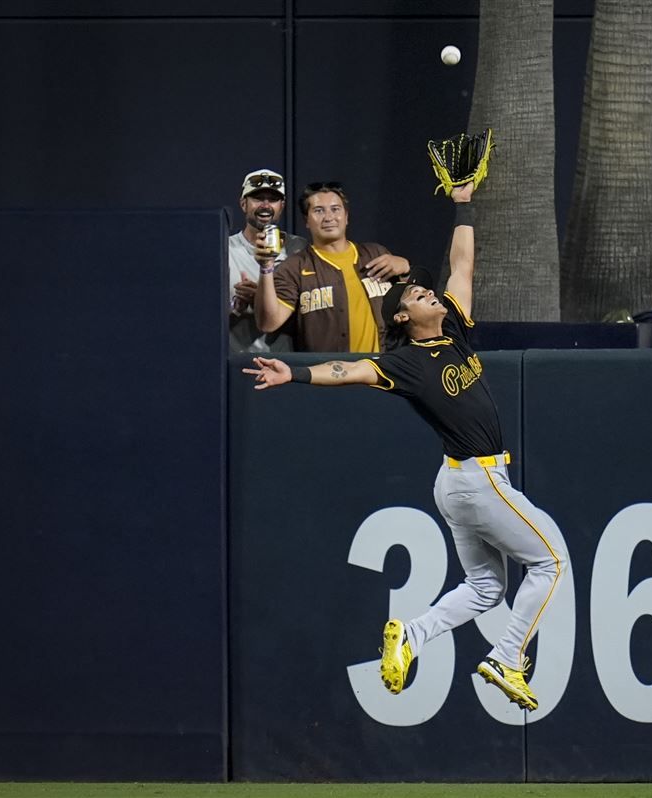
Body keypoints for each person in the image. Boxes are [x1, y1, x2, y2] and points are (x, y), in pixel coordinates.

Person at [243, 183, 567, 712]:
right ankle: (507, 659)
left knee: (486, 587)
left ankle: (412, 636)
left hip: (460, 481)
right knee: (551, 562)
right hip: (476, 480)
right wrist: (295, 374)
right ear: (400, 318)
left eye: (425, 291)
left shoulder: (454, 332)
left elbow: (462, 265)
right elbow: (348, 369)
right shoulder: (407, 363)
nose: (427, 293)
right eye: (416, 296)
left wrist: (463, 203)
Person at [253, 181, 414, 353]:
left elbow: (416, 305)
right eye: (319, 210)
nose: (329, 217)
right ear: (306, 220)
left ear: (346, 216)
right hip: (329, 374)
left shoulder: (376, 254)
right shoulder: (295, 267)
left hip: (382, 372)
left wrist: (406, 269)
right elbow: (268, 323)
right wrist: (266, 268)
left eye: (335, 209)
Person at [229, 169, 307, 353]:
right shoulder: (225, 249)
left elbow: (311, 311)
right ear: (243, 204)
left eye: (272, 199)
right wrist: (235, 306)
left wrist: (261, 299)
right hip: (235, 358)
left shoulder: (298, 248)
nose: (265, 205)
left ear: (282, 205)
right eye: (257, 198)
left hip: (285, 361)